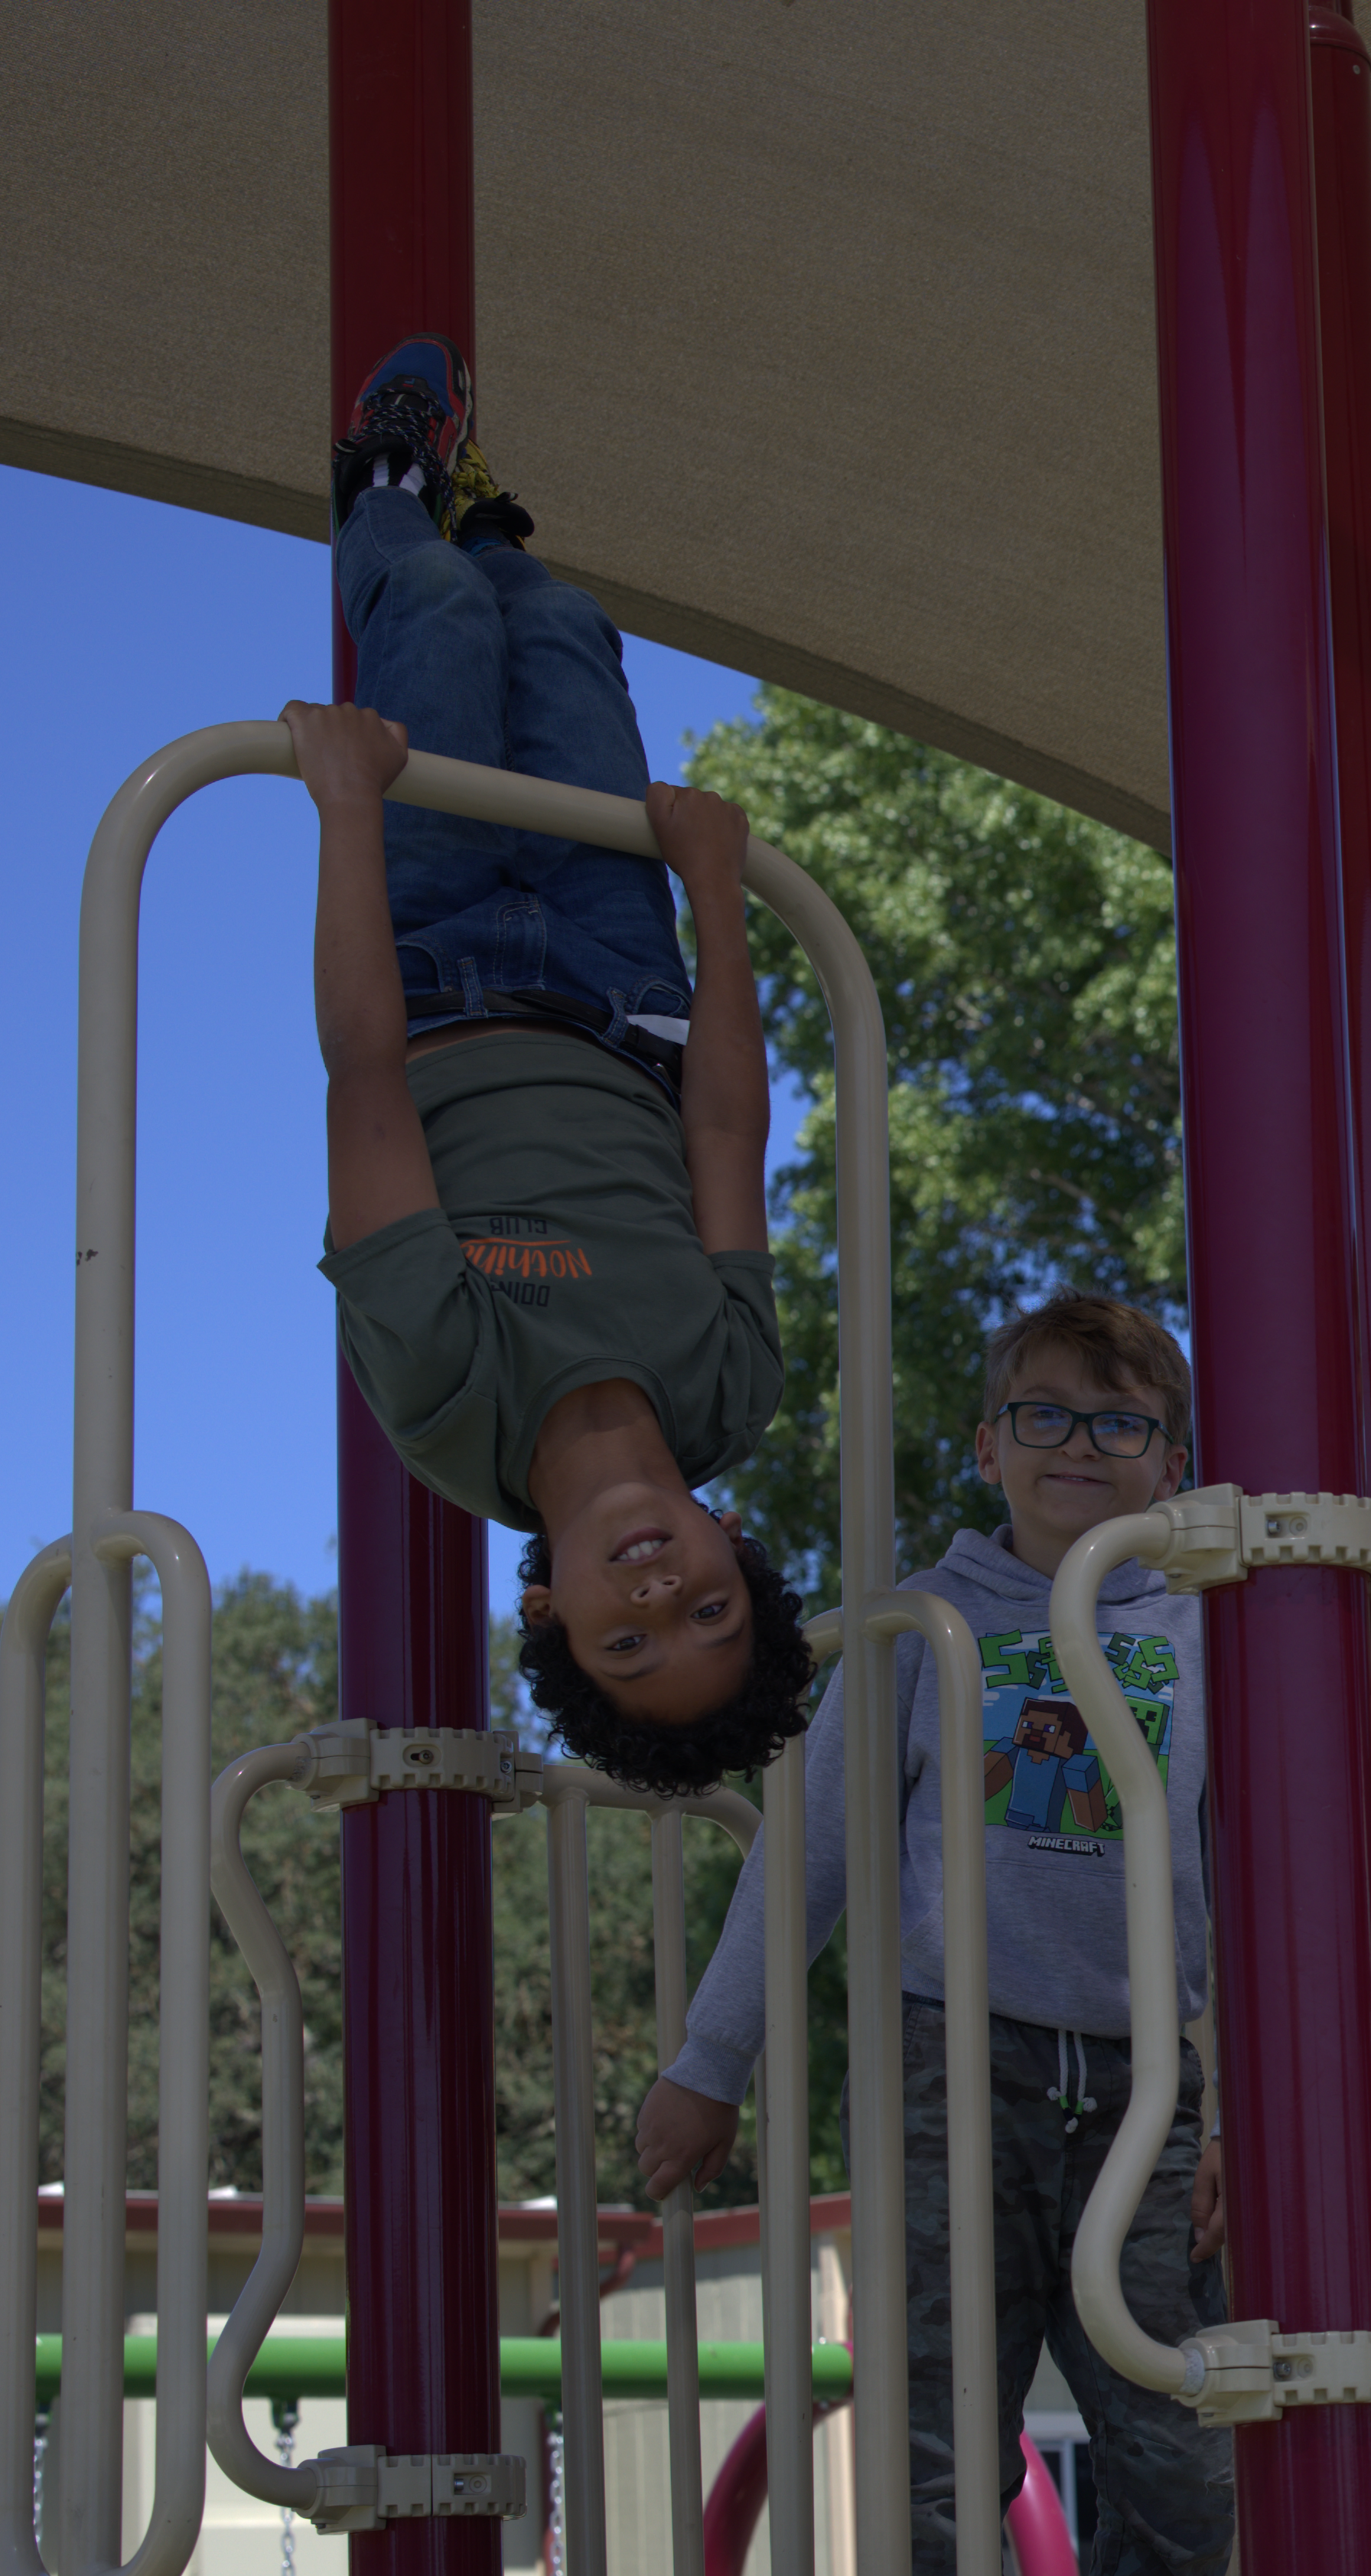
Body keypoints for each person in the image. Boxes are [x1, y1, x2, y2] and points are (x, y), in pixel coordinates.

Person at [637, 1294, 1241, 2576]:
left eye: (1120, 1425)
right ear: (986, 1444)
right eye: (1043, 1416)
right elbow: (810, 1859)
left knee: (1179, 2431)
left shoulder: (1206, 1627)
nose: (1080, 1450)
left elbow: (1248, 1880)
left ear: (1175, 1458)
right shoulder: (925, 1628)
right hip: (947, 2065)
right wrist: (711, 2066)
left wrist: (1239, 2086)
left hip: (1150, 2081)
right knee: (933, 2437)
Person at [296, 335, 808, 1795]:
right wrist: (716, 891)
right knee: (566, 624)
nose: (656, 1597)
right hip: (617, 983)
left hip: (436, 963)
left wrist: (347, 807)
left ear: (547, 1612)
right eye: (706, 1608)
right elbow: (721, 1130)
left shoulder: (451, 1402)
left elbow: (369, 1087)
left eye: (627, 1642)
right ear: (734, 1550)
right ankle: (486, 514)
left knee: (446, 611)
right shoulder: (725, 1388)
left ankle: (393, 483)